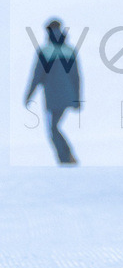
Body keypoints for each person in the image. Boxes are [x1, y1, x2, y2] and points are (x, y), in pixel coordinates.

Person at [24, 19, 81, 165]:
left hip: (52, 96)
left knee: (53, 128)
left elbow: (37, 76)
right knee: (54, 127)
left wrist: (29, 95)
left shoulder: (45, 51)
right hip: (68, 95)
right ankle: (67, 157)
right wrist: (77, 99)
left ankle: (66, 158)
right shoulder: (69, 50)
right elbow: (76, 77)